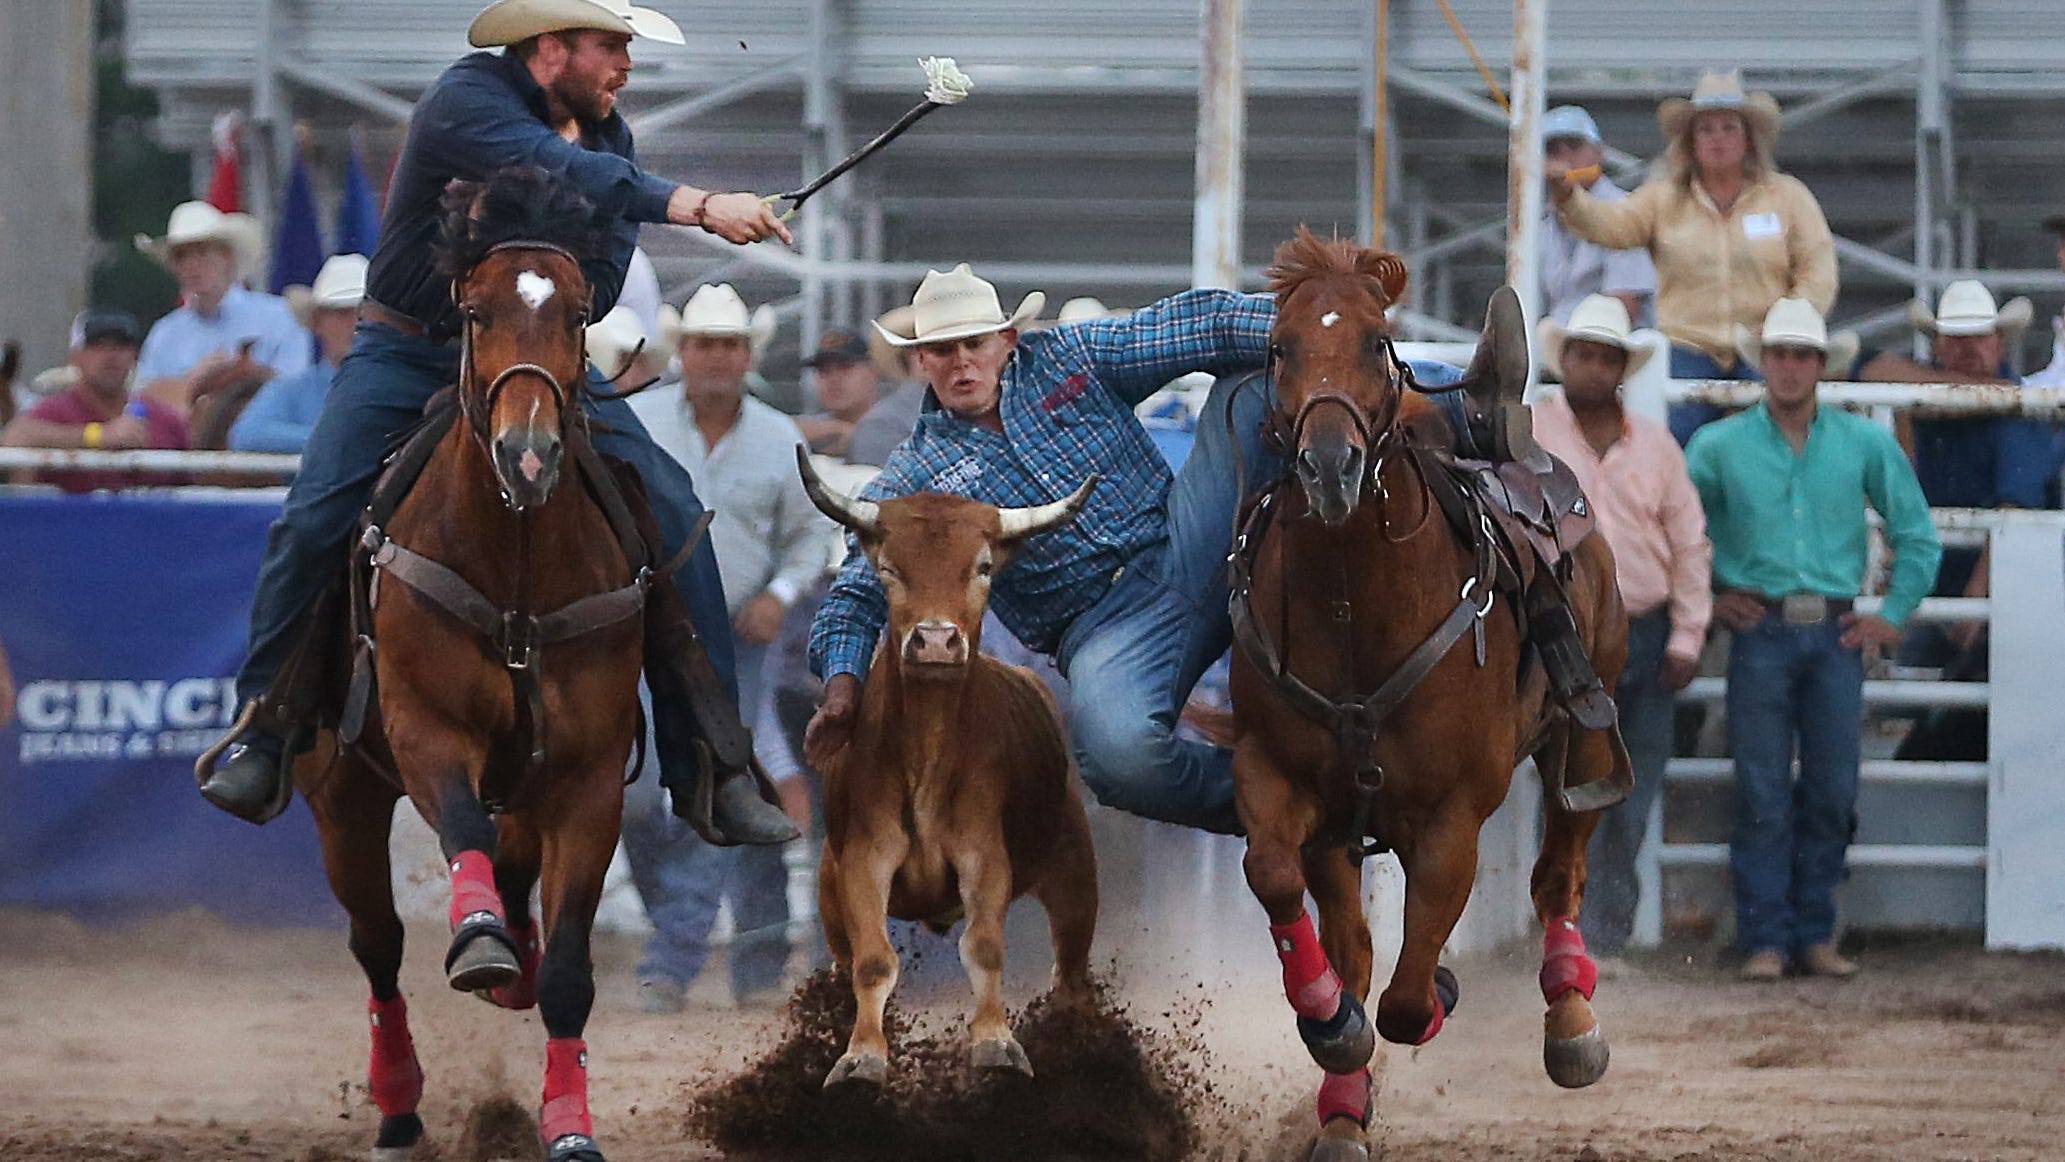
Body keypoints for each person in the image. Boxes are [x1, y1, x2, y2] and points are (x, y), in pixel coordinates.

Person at [195, 0, 799, 852]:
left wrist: (549, 326)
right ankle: (265, 726)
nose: (625, 67)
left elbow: (602, 266)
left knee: (672, 513)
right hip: (405, 353)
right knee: (314, 514)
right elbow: (560, 170)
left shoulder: (610, 138)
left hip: (538, 355)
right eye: (611, 48)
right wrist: (701, 205)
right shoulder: (468, 101)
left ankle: (712, 760)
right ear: (551, 49)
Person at [804, 262, 1538, 836]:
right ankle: (1288, 808)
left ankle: (1457, 407)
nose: (961, 363)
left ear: (1005, 342)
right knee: (1118, 756)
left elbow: (1201, 324)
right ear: (920, 364)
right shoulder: (914, 477)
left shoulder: (1070, 358)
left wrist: (1322, 340)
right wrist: (842, 679)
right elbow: (859, 589)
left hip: (1190, 538)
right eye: (940, 351)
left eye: (972, 344)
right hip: (1102, 628)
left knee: (1256, 387)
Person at [1687, 298, 1941, 982]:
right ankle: (1772, 936)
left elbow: (1916, 532)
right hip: (1766, 627)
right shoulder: (1719, 446)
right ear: (1763, 360)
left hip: (1831, 628)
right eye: (1779, 354)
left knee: (1831, 787)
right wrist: (1713, 594)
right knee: (1762, 788)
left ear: (1819, 365)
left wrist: (1889, 613)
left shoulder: (1861, 443)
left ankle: (1806, 932)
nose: (1790, 367)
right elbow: (1680, 532)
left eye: (1801, 355)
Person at [625, 281, 830, 1010]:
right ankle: (678, 939)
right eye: (706, 343)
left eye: (730, 344)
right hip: (645, 636)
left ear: (748, 355)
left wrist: (778, 594)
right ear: (681, 352)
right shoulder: (637, 422)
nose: (717, 356)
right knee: (640, 797)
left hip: (736, 642)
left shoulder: (781, 437)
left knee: (716, 789)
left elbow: (811, 535)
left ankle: (671, 962)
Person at [1532, 295, 1711, 962]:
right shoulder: (1533, 434)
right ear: (1566, 360)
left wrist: (1686, 636)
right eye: (1583, 354)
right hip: (1559, 635)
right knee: (1561, 781)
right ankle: (1566, 925)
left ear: (1619, 368)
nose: (1593, 367)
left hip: (1641, 626)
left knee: (1627, 790)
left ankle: (1596, 930)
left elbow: (1688, 543)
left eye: (1605, 357)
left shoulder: (1655, 446)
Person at [1549, 70, 1837, 444]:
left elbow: (1819, 270)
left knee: (1774, 444)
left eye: (1728, 128)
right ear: (1691, 141)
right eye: (1706, 129)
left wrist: (1788, 324)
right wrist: (1568, 196)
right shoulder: (1662, 198)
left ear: (1749, 138)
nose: (1718, 138)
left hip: (1767, 349)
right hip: (1686, 346)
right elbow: (1612, 225)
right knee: (1673, 440)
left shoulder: (1788, 196)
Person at [132, 201, 311, 413]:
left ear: (227, 256)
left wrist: (250, 375)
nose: (192, 264)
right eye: (181, 256)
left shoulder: (279, 317)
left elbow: (298, 394)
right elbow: (143, 404)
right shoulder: (165, 333)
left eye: (202, 252)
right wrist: (196, 380)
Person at [1, 309, 188, 492]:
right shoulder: (54, 412)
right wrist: (98, 436)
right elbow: (14, 437)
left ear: (135, 356)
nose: (110, 356)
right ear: (75, 357)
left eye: (121, 345)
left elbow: (197, 487)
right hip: (71, 522)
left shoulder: (165, 420)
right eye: (98, 346)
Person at [227, 254, 369, 453]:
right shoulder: (294, 388)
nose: (354, 324)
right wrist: (340, 440)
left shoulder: (398, 385)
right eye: (341, 313)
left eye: (363, 314)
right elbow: (246, 436)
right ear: (316, 323)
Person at [1538, 106, 1657, 329]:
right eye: (1553, 150)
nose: (1565, 158)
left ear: (1599, 152)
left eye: (1574, 146)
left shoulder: (1627, 213)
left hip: (1609, 350)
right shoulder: (1543, 228)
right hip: (1559, 351)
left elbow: (1626, 305)